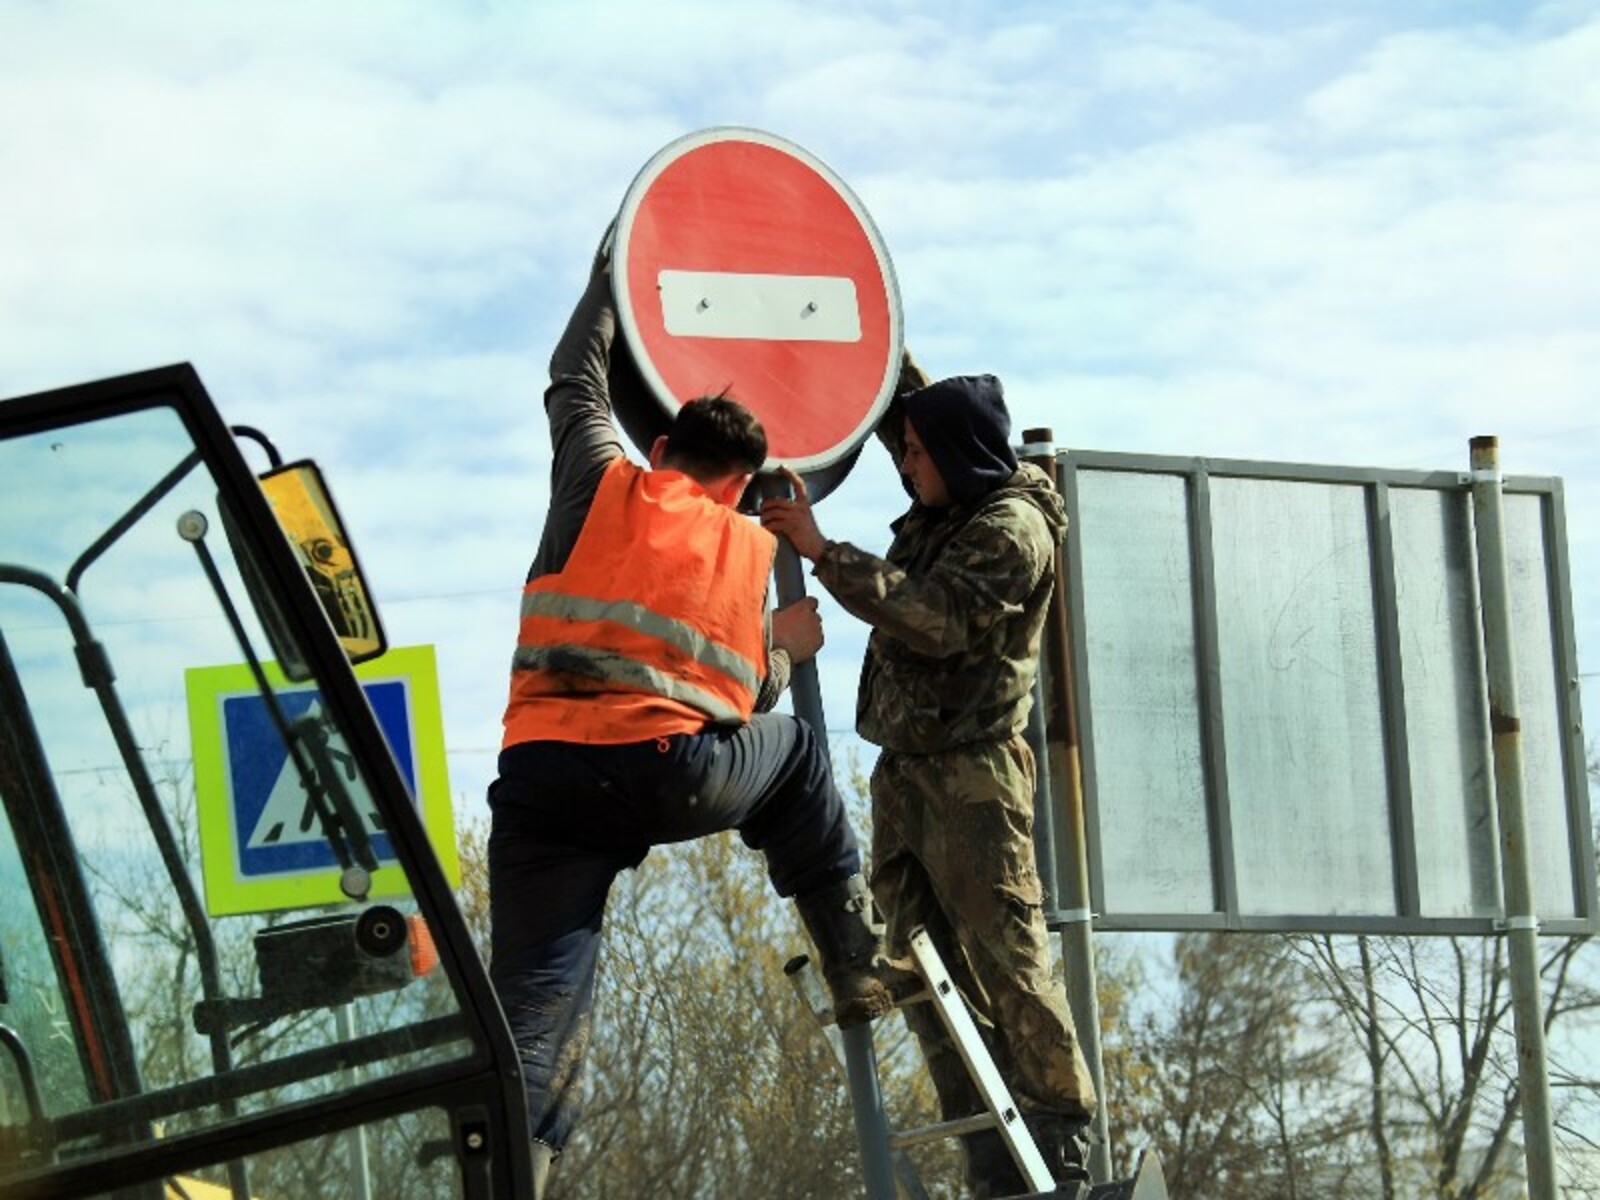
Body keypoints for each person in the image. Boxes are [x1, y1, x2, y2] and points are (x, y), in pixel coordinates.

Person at [487, 258, 910, 1197]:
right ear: (742, 482)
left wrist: (615, 266)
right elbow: (740, 699)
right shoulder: (745, 544)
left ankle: (520, 1177)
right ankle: (853, 960)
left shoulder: (597, 479)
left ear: (665, 441)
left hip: (540, 780)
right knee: (797, 757)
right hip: (665, 770)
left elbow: (573, 375)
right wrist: (788, 649)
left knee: (535, 1020)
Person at [759, 370, 1098, 1197]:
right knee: (918, 970)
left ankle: (1060, 1141)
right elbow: (900, 399)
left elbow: (936, 617)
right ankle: (990, 1149)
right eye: (903, 449)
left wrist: (819, 550)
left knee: (1009, 959)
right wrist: (871, 345)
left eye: (917, 452)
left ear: (956, 454)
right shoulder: (953, 492)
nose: (905, 464)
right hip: (906, 772)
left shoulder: (1012, 529)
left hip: (973, 777)